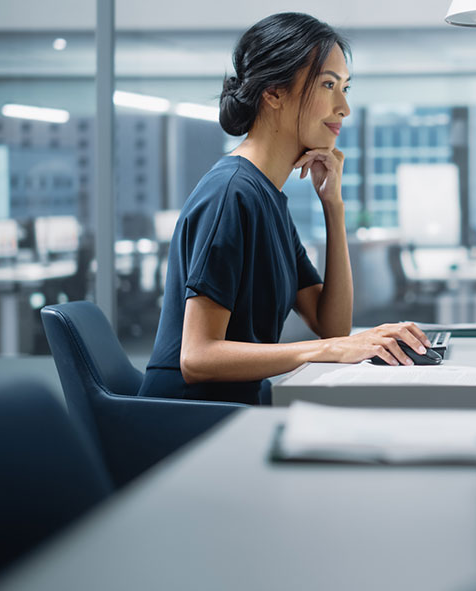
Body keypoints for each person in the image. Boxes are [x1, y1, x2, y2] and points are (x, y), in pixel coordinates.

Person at [140, 12, 429, 405]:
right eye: (329, 85)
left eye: (345, 88)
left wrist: (334, 206)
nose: (344, 107)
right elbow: (197, 356)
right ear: (274, 92)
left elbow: (332, 325)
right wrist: (326, 351)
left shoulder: (267, 198)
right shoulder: (231, 195)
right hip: (189, 422)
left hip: (239, 409)